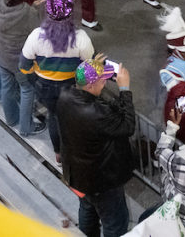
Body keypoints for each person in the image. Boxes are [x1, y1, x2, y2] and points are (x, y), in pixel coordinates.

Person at [57, 56, 135, 237]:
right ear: (90, 86)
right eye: (102, 81)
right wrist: (124, 90)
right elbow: (128, 126)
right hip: (101, 180)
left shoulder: (64, 96)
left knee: (87, 209)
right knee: (116, 223)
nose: (105, 84)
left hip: (78, 174)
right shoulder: (97, 113)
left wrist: (92, 67)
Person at [20, 0, 95, 159]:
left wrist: (36, 81)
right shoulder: (81, 38)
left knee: (53, 116)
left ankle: (59, 153)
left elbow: (24, 66)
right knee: (73, 119)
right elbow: (89, 65)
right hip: (70, 86)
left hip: (44, 87)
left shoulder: (35, 36)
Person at [0, 0, 46, 137]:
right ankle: (26, 127)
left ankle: (11, 119)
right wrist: (36, 9)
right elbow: (37, 34)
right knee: (27, 90)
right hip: (20, 62)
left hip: (1, 55)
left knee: (7, 86)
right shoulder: (27, 12)